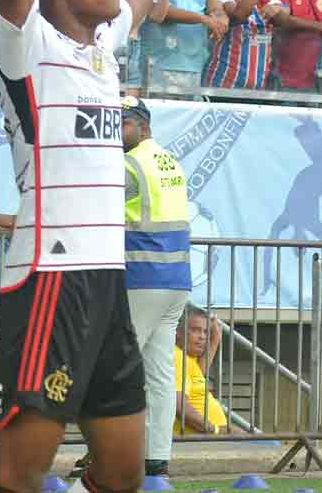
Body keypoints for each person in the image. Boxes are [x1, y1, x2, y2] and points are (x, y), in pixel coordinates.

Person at [0, 0, 198, 493]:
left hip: (109, 279)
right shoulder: (27, 40)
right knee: (19, 471)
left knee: (122, 472)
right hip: (52, 272)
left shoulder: (106, 44)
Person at [115, 95, 193, 479]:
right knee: (159, 374)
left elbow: (94, 210)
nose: (117, 130)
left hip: (142, 279)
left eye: (124, 123)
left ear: (143, 126)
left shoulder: (128, 165)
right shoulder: (167, 160)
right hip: (175, 280)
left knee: (118, 367)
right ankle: (156, 459)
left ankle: (111, 455)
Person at [202, 0, 282, 89]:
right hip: (224, 85)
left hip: (259, 86)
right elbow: (239, 15)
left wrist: (279, 9)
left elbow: (285, 16)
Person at [173, 307, 228, 435]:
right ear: (178, 332)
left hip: (211, 437)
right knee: (271, 445)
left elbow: (199, 373)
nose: (202, 337)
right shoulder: (177, 358)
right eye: (195, 330)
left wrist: (215, 340)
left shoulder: (189, 359)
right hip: (203, 438)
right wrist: (216, 430)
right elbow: (178, 406)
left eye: (205, 332)